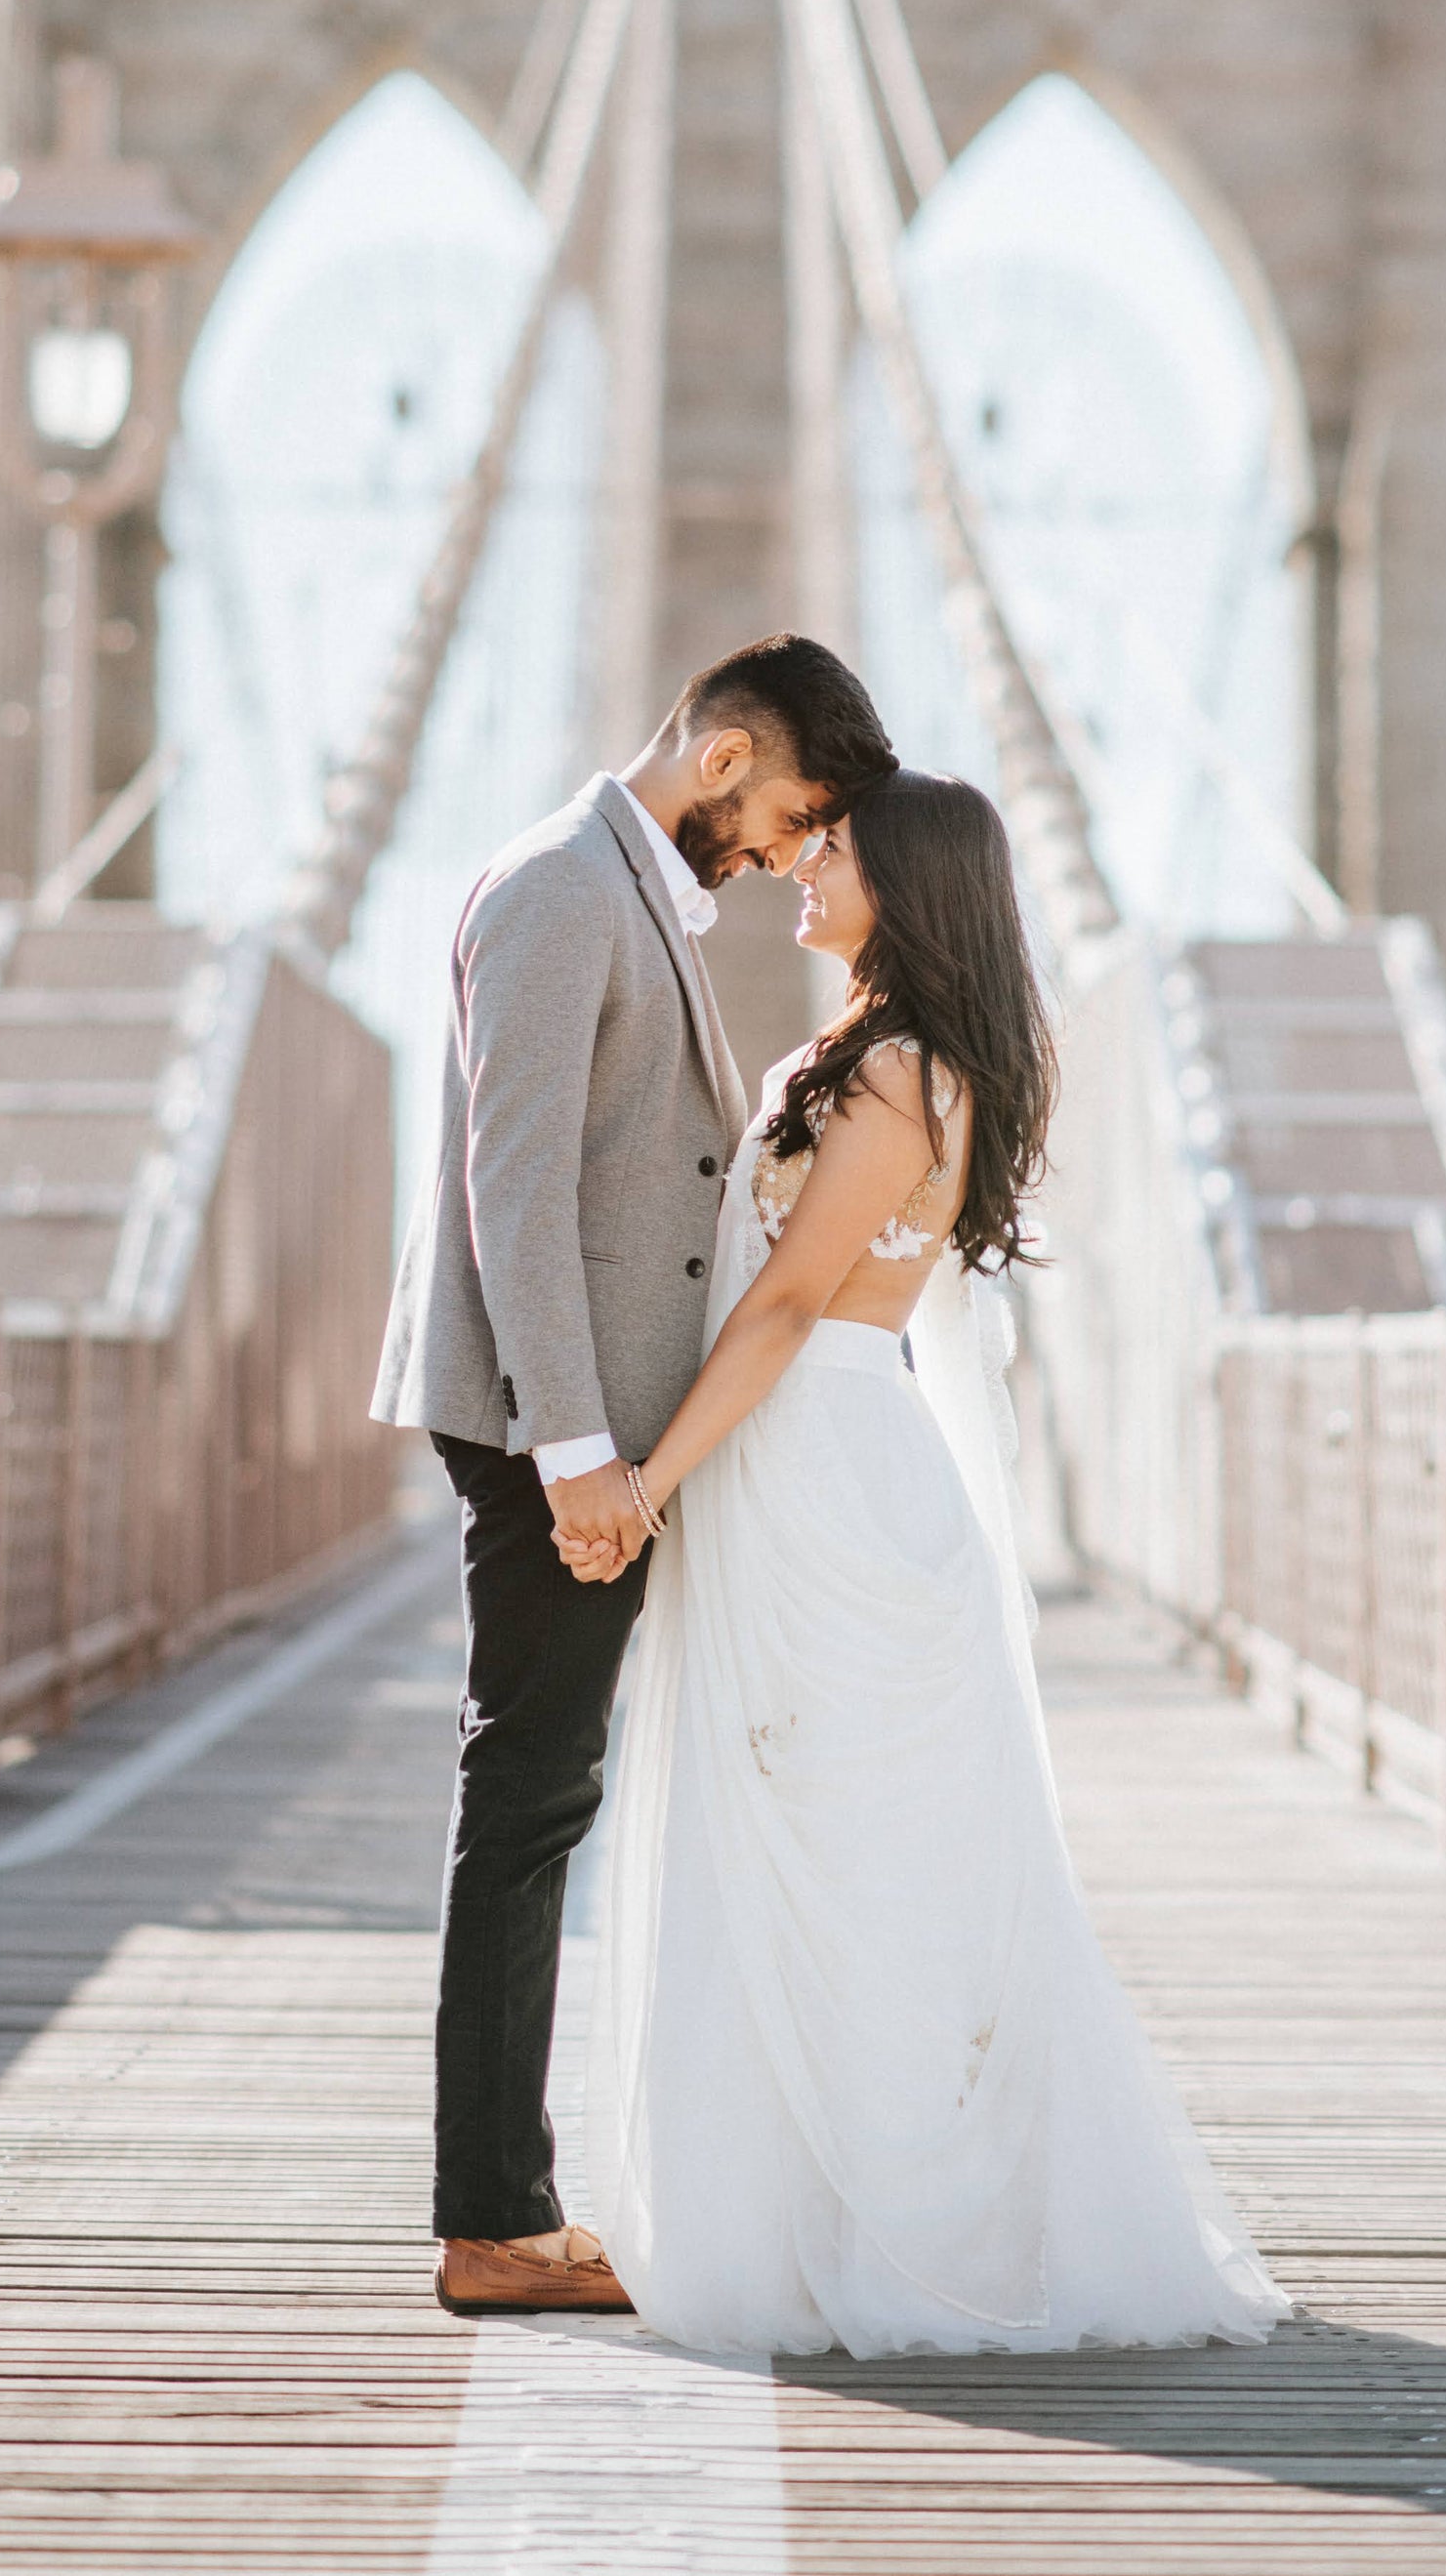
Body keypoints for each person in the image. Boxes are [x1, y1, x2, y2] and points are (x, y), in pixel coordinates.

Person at [569, 769, 1287, 2356]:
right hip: (811, 1458)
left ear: (903, 881)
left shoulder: (896, 1072)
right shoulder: (879, 1055)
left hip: (818, 1470)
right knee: (799, 1833)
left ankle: (883, 2232)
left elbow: (784, 1306)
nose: (802, 871)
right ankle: (802, 2210)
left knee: (845, 1851)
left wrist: (639, 1488)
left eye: (829, 851)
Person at [370, 633, 896, 2316]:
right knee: (526, 1798)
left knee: (549, 1794)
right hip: (559, 1428)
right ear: (728, 757)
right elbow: (511, 1191)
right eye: (792, 815)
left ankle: (510, 2204)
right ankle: (493, 2221)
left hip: (592, 1423)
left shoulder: (626, 891)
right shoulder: (552, 889)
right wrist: (577, 1455)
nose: (782, 857)